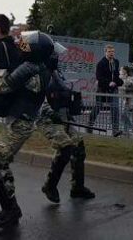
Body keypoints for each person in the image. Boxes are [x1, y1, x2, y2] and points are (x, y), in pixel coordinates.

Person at [0, 31, 57, 228]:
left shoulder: (30, 67)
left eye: (25, 43)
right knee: (0, 164)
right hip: (21, 122)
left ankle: (12, 209)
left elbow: (2, 87)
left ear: (34, 50)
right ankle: (9, 208)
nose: (21, 44)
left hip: (20, 124)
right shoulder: (40, 67)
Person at [39, 52, 95, 204]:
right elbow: (38, 101)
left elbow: (63, 91)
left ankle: (77, 188)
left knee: (78, 146)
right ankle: (49, 185)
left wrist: (74, 102)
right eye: (53, 56)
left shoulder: (56, 73)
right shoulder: (37, 73)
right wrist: (51, 113)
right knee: (65, 147)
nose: (56, 58)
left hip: (63, 116)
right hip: (48, 119)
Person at [88, 45, 123, 136]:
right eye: (109, 51)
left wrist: (118, 82)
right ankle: (90, 125)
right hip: (102, 89)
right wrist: (108, 83)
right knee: (98, 107)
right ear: (105, 52)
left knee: (115, 108)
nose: (111, 53)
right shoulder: (101, 63)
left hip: (113, 89)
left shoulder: (116, 62)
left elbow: (116, 75)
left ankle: (115, 130)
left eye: (112, 51)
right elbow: (99, 77)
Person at [118, 66, 133, 134]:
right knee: (121, 113)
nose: (121, 70)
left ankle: (127, 128)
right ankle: (126, 128)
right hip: (121, 97)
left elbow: (132, 88)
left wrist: (124, 89)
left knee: (124, 113)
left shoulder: (130, 78)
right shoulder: (120, 77)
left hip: (127, 98)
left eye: (122, 69)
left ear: (126, 71)